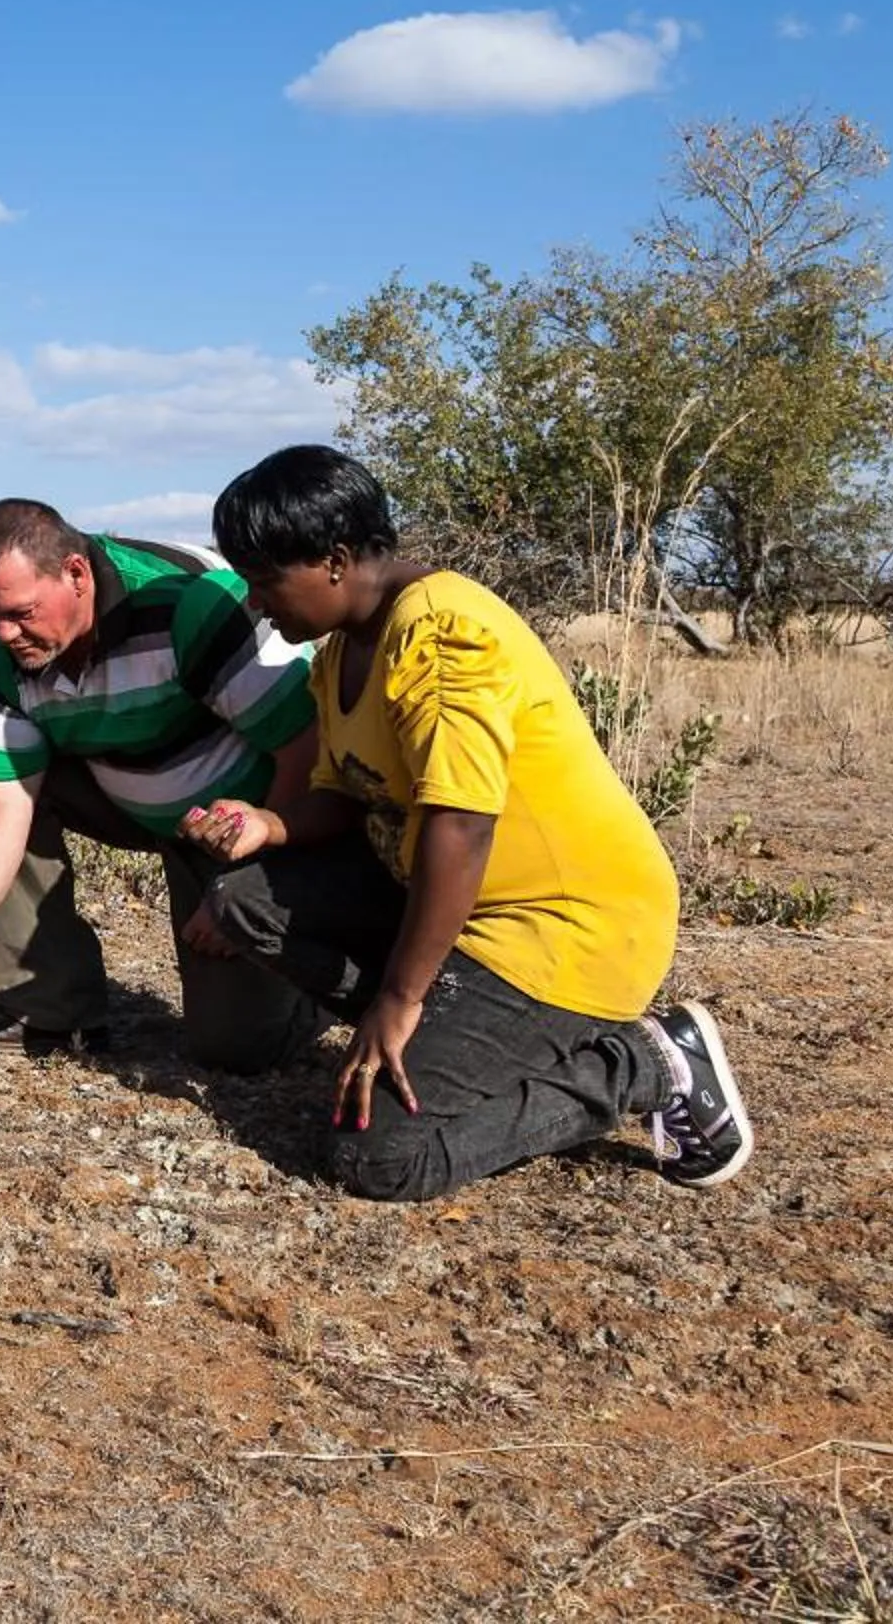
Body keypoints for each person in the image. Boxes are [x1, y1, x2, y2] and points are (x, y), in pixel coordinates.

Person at [180, 444, 753, 1201]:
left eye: (263, 581)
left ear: (336, 560)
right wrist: (270, 826)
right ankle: (463, 1033)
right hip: (459, 910)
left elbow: (463, 826)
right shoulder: (341, 651)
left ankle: (649, 1061)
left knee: (380, 1158)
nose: (256, 603)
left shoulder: (444, 636)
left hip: (564, 926)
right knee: (244, 897)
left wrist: (400, 999)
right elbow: (343, 798)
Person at [0, 498, 324, 1063]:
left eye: (20, 613)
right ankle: (46, 1008)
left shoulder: (186, 605)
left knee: (238, 1049)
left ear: (76, 573)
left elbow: (307, 749)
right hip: (121, 789)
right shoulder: (6, 664)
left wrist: (249, 885)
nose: (3, 635)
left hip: (240, 818)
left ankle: (324, 977)